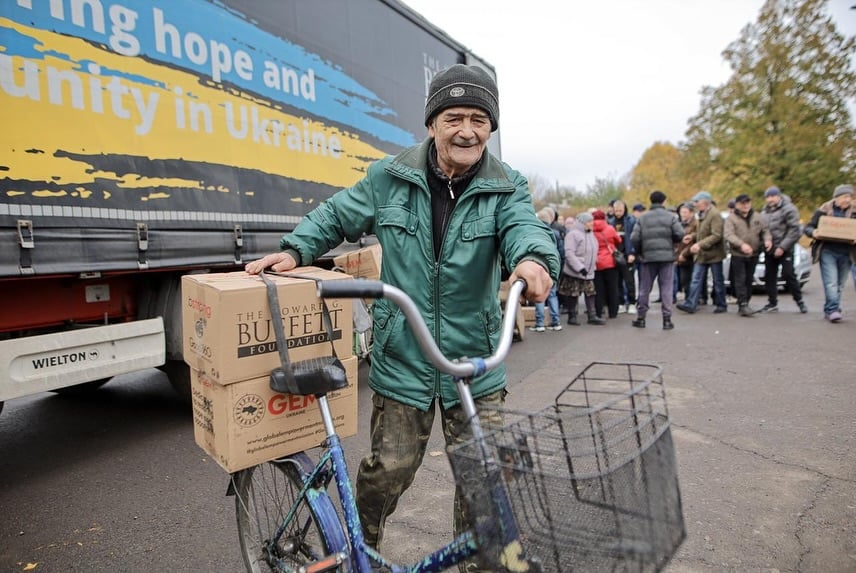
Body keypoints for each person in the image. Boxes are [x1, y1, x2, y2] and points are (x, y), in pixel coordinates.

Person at [244, 64, 560, 561]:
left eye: (479, 119)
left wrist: (534, 260)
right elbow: (336, 215)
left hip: (474, 360)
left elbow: (525, 228)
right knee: (388, 471)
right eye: (454, 117)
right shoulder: (388, 178)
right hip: (406, 355)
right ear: (432, 124)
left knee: (485, 481)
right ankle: (356, 552)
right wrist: (296, 250)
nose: (467, 130)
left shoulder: (508, 186)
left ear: (491, 128)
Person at [630, 190, 684, 330]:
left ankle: (641, 317)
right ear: (663, 201)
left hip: (648, 257)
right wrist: (673, 243)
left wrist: (640, 251)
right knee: (666, 288)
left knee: (644, 288)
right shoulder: (671, 217)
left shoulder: (643, 218)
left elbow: (634, 238)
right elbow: (679, 233)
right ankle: (667, 320)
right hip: (667, 257)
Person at [803, 184, 856, 322]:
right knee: (831, 282)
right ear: (836, 198)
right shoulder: (823, 210)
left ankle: (830, 308)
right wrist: (814, 232)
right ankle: (833, 309)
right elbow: (808, 227)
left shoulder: (855, 211)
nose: (847, 200)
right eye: (845, 197)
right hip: (828, 251)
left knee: (840, 284)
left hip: (848, 252)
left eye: (849, 197)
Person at [677, 191, 728, 314]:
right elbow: (702, 232)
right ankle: (691, 304)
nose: (695, 204)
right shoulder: (701, 214)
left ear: (705, 201)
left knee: (717, 280)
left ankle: (721, 304)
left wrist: (699, 244)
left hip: (714, 254)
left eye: (697, 201)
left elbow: (716, 235)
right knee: (696, 279)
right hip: (702, 254)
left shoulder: (715, 215)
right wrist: (692, 236)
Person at [759, 186, 808, 313]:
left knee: (788, 274)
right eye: (768, 197)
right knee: (769, 276)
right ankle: (772, 303)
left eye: (773, 196)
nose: (770, 199)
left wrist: (782, 247)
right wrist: (765, 240)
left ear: (779, 196)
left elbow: (794, 230)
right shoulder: (764, 212)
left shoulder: (789, 209)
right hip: (769, 248)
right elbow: (763, 230)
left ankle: (800, 301)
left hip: (785, 247)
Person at [724, 194, 771, 317]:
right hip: (738, 254)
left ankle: (746, 303)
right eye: (743, 203)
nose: (745, 205)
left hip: (754, 253)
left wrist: (767, 240)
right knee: (740, 279)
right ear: (737, 205)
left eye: (747, 203)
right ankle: (743, 304)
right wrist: (742, 245)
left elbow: (765, 230)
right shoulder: (731, 219)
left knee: (749, 279)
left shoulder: (757, 217)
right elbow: (729, 235)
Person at [558, 212, 600, 325]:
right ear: (583, 223)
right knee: (573, 294)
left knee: (591, 293)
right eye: (589, 221)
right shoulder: (573, 234)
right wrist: (579, 267)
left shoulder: (591, 234)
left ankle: (592, 315)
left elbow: (594, 250)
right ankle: (572, 316)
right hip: (575, 272)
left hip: (589, 271)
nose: (592, 223)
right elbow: (569, 253)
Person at [529, 207, 564, 332]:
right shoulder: (555, 233)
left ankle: (540, 323)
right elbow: (561, 252)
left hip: (540, 266)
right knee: (552, 295)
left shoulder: (534, 232)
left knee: (540, 294)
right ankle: (555, 321)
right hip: (552, 266)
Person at [608, 200, 638, 314]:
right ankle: (620, 303)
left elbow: (634, 238)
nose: (618, 213)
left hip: (628, 255)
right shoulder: (611, 222)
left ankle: (631, 303)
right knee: (617, 281)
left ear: (624, 209)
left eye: (620, 210)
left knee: (629, 281)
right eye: (616, 211)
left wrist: (632, 253)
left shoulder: (631, 221)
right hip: (616, 255)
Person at [592, 209, 622, 321]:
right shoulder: (610, 228)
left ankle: (599, 312)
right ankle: (613, 312)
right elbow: (618, 240)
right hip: (610, 262)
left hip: (596, 263)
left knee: (599, 289)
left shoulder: (590, 231)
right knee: (613, 288)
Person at [674, 202, 697, 301]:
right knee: (684, 280)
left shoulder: (696, 224)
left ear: (691, 213)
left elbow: (694, 241)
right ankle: (689, 299)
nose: (682, 214)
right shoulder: (679, 224)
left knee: (692, 279)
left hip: (691, 256)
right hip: (681, 257)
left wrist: (684, 254)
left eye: (685, 212)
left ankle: (692, 299)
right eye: (681, 212)